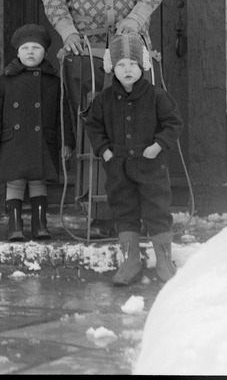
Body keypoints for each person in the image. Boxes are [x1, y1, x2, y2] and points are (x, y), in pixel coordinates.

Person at [84, 32, 183, 284]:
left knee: (156, 208)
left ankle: (163, 260)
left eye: (132, 65)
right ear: (112, 68)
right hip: (118, 166)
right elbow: (93, 126)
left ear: (142, 66)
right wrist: (104, 150)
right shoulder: (104, 100)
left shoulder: (156, 96)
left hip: (151, 164)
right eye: (120, 65)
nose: (127, 70)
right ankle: (131, 261)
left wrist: (158, 145)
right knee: (124, 208)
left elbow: (173, 123)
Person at [0, 24, 74, 242]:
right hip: (12, 142)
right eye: (25, 48)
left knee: (37, 180)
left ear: (45, 52)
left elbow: (63, 114)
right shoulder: (5, 80)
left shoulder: (53, 81)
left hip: (42, 140)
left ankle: (40, 224)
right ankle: (14, 225)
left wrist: (66, 142)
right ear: (17, 52)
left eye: (36, 48)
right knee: (14, 182)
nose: (30, 52)